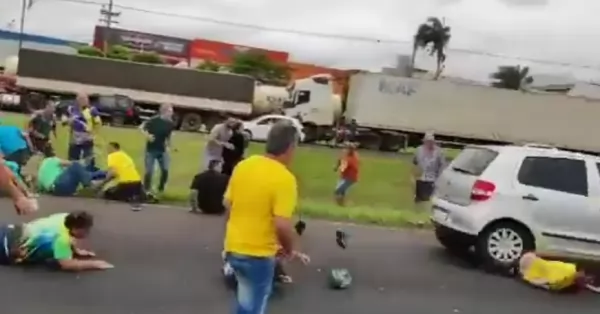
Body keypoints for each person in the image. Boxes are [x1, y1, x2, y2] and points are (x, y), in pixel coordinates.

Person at [223, 120, 310, 314]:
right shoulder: (284, 179)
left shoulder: (244, 166)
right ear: (290, 147)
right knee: (254, 308)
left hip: (233, 249)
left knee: (245, 302)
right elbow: (281, 224)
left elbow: (228, 205)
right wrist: (289, 249)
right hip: (258, 257)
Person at [0, 211, 114, 271]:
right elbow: (67, 265)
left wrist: (77, 251)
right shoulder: (61, 239)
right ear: (75, 228)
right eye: (85, 229)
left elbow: (67, 237)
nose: (88, 233)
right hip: (6, 246)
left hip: (13, 230)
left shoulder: (65, 217)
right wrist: (95, 264)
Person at [517, 252, 600, 293]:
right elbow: (543, 282)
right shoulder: (529, 271)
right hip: (557, 271)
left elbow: (542, 282)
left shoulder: (569, 274)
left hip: (557, 270)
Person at [97, 142, 144, 211]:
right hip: (138, 183)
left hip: (125, 184)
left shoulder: (112, 156)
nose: (107, 150)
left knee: (107, 193)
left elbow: (112, 173)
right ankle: (137, 196)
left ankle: (128, 197)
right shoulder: (125, 156)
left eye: (108, 148)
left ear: (113, 148)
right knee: (132, 192)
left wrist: (101, 184)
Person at [140, 104, 175, 196]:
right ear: (164, 112)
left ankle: (161, 188)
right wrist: (147, 136)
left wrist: (170, 146)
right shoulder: (153, 120)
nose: (172, 113)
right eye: (170, 111)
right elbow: (141, 127)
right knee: (149, 171)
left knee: (165, 170)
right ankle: (146, 189)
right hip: (151, 150)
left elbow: (169, 136)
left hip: (162, 150)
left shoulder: (170, 123)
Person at [65, 92, 102, 171]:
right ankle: (72, 173)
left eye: (84, 99)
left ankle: (89, 174)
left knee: (89, 158)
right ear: (77, 100)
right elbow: (63, 121)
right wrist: (68, 121)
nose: (83, 101)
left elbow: (98, 123)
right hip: (74, 137)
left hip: (87, 138)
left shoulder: (92, 110)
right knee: (73, 158)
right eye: (80, 99)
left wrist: (94, 134)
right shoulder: (71, 109)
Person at [412, 132, 446, 205]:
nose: (429, 143)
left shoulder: (439, 152)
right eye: (427, 141)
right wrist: (414, 175)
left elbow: (442, 166)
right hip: (420, 178)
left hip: (432, 179)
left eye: (431, 141)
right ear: (424, 141)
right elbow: (414, 162)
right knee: (419, 199)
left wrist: (439, 179)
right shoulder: (419, 150)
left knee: (429, 200)